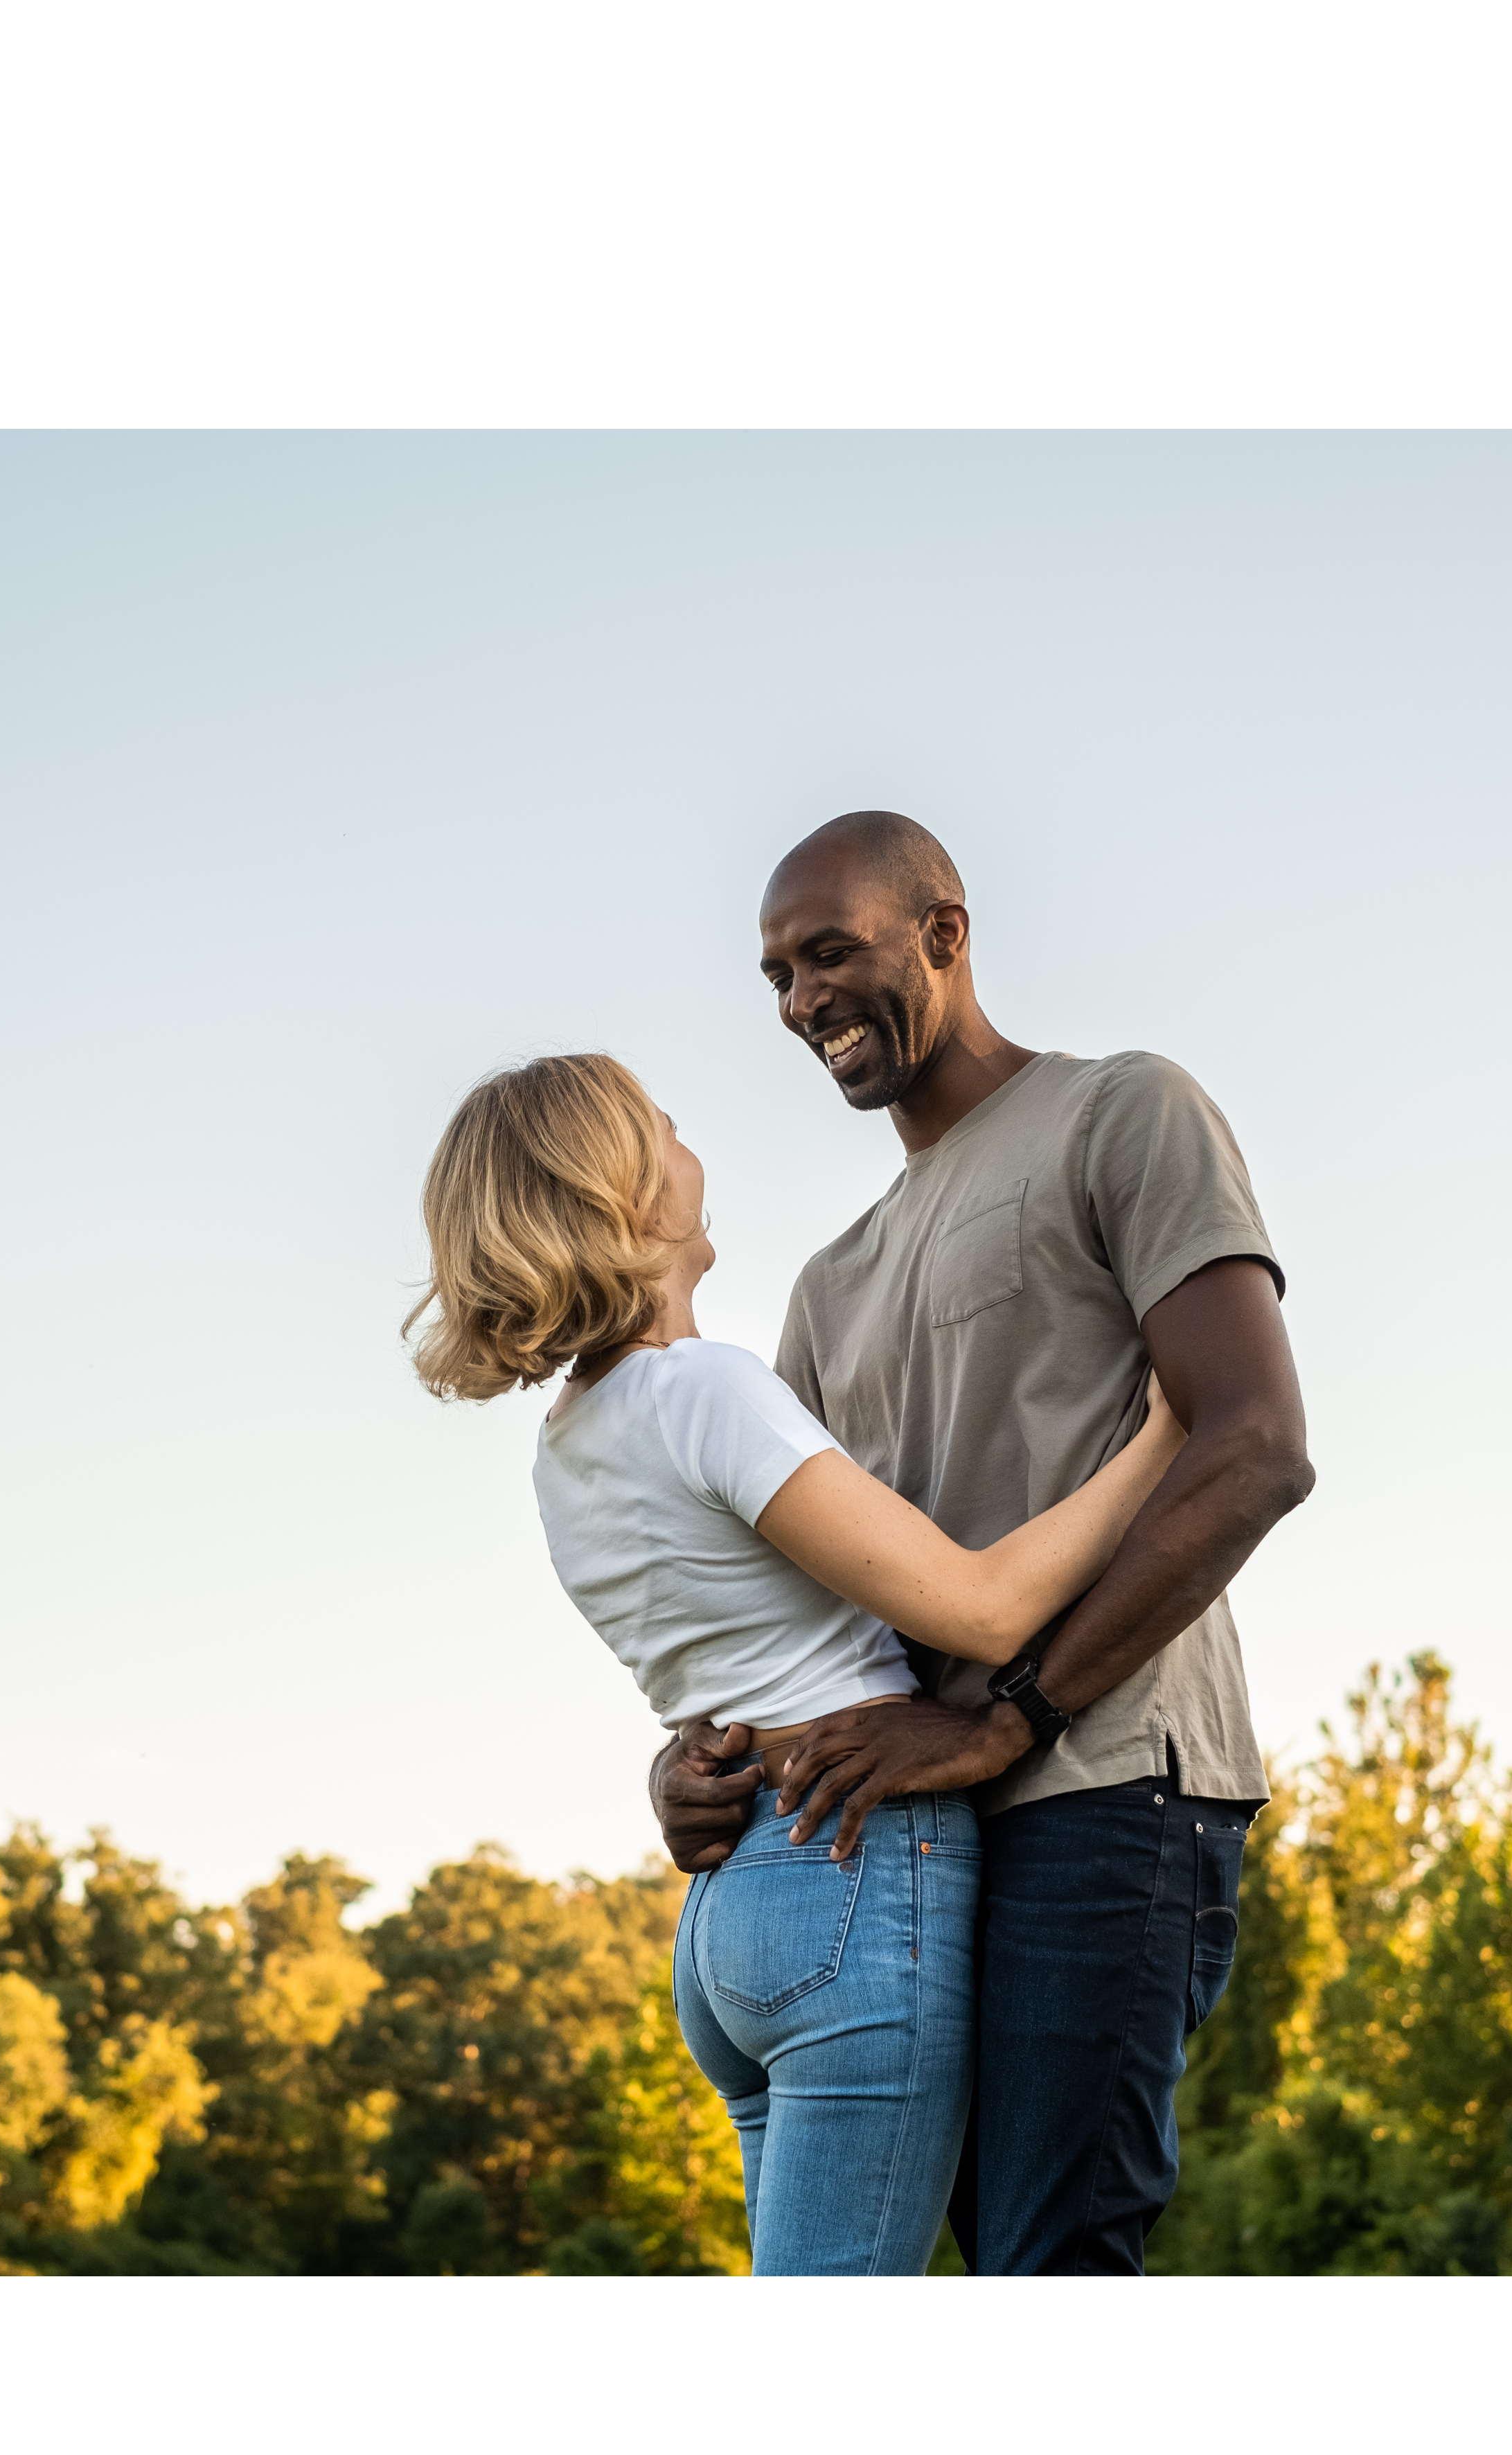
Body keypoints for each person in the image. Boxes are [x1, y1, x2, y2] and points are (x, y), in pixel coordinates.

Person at [652, 810, 1315, 2276]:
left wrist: (1005, 1720)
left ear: (943, 934)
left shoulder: (1122, 1113)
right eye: (776, 974)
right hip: (912, 1836)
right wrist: (698, 1764)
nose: (801, 999)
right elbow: (793, 1601)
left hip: (1105, 1787)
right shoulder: (829, 1287)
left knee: (1048, 2257)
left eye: (831, 952)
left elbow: (1255, 1444)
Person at [407, 1051, 1186, 2274]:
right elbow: (984, 1611)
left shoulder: (566, 1448)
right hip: (850, 1878)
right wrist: (1163, 1439)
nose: (688, 1141)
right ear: (623, 1189)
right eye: (664, 1124)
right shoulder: (705, 1391)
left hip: (736, 1911)